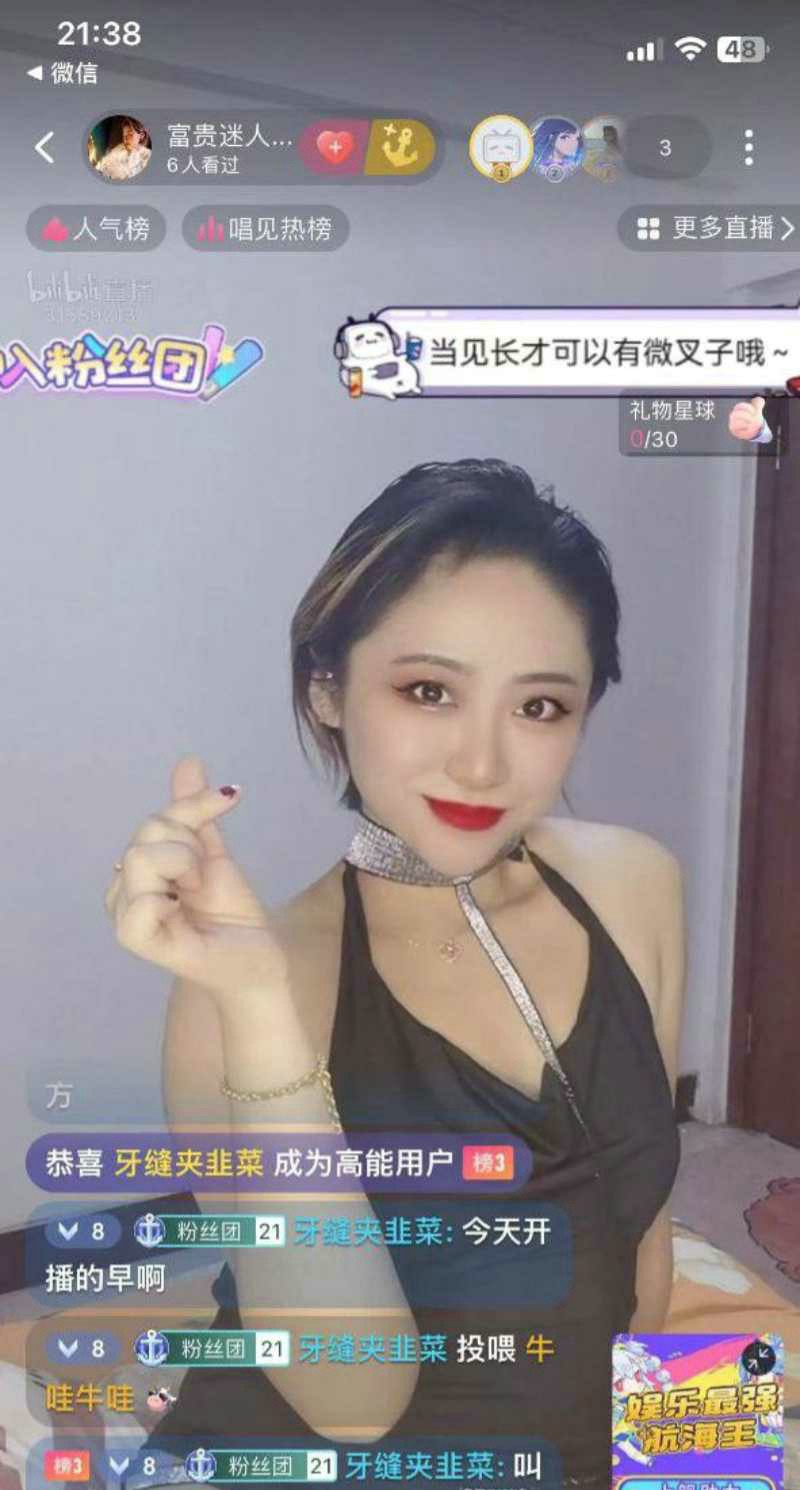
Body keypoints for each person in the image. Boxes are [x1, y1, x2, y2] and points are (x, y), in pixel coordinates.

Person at [105, 459, 684, 1488]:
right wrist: (257, 1004)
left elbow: (641, 1229)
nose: (481, 764)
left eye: (539, 706)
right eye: (428, 691)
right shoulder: (248, 982)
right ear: (327, 689)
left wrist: (686, 1458)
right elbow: (351, 1403)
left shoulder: (633, 884)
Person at [94, 117, 151, 181]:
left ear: (142, 135)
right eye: (124, 136)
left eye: (130, 134)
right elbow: (103, 166)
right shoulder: (117, 151)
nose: (125, 139)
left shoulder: (146, 157)